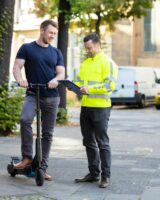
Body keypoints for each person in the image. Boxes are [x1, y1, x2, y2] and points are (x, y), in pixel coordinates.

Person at [12, 19, 65, 181]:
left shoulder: (56, 52)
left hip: (52, 97)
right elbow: (16, 67)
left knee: (47, 134)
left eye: (55, 34)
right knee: (25, 119)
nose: (53, 36)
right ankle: (27, 157)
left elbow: (61, 73)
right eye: (50, 33)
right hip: (32, 93)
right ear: (42, 30)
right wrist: (21, 79)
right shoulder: (27, 48)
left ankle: (42, 167)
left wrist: (56, 79)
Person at [74, 33, 118, 188]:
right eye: (86, 48)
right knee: (88, 141)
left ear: (98, 45)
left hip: (101, 108)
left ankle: (105, 177)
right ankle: (93, 174)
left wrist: (89, 88)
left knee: (102, 143)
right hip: (85, 107)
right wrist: (72, 85)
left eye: (89, 47)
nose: (87, 50)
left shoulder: (108, 63)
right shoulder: (85, 63)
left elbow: (109, 87)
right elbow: (79, 81)